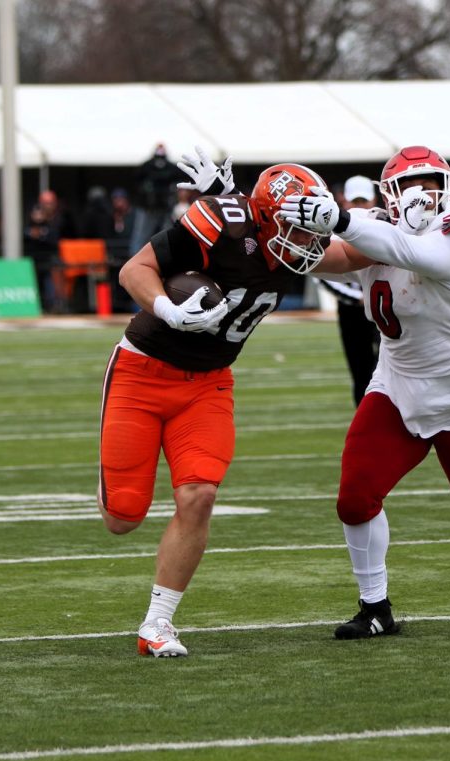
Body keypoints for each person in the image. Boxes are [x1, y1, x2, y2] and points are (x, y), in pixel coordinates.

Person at [277, 145, 450, 639]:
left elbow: (415, 253)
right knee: (354, 497)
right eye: (413, 185)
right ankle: (376, 607)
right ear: (390, 195)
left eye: (433, 184)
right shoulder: (376, 229)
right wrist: (276, 230)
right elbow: (325, 257)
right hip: (396, 385)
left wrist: (341, 219)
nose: (425, 195)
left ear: (448, 188)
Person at [98, 149, 329, 657]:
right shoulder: (219, 223)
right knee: (122, 517)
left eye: (314, 226)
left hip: (207, 384)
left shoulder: (302, 245)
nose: (310, 241)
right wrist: (168, 309)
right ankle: (115, 480)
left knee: (199, 495)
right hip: (142, 371)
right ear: (265, 218)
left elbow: (356, 254)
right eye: (299, 225)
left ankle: (158, 624)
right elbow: (134, 270)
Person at [316, 175, 381, 407]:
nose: (360, 207)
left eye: (364, 201)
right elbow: (323, 278)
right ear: (345, 202)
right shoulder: (332, 233)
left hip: (384, 305)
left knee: (387, 367)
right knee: (360, 370)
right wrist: (358, 298)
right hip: (353, 309)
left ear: (374, 200)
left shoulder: (385, 227)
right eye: (356, 202)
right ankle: (365, 417)